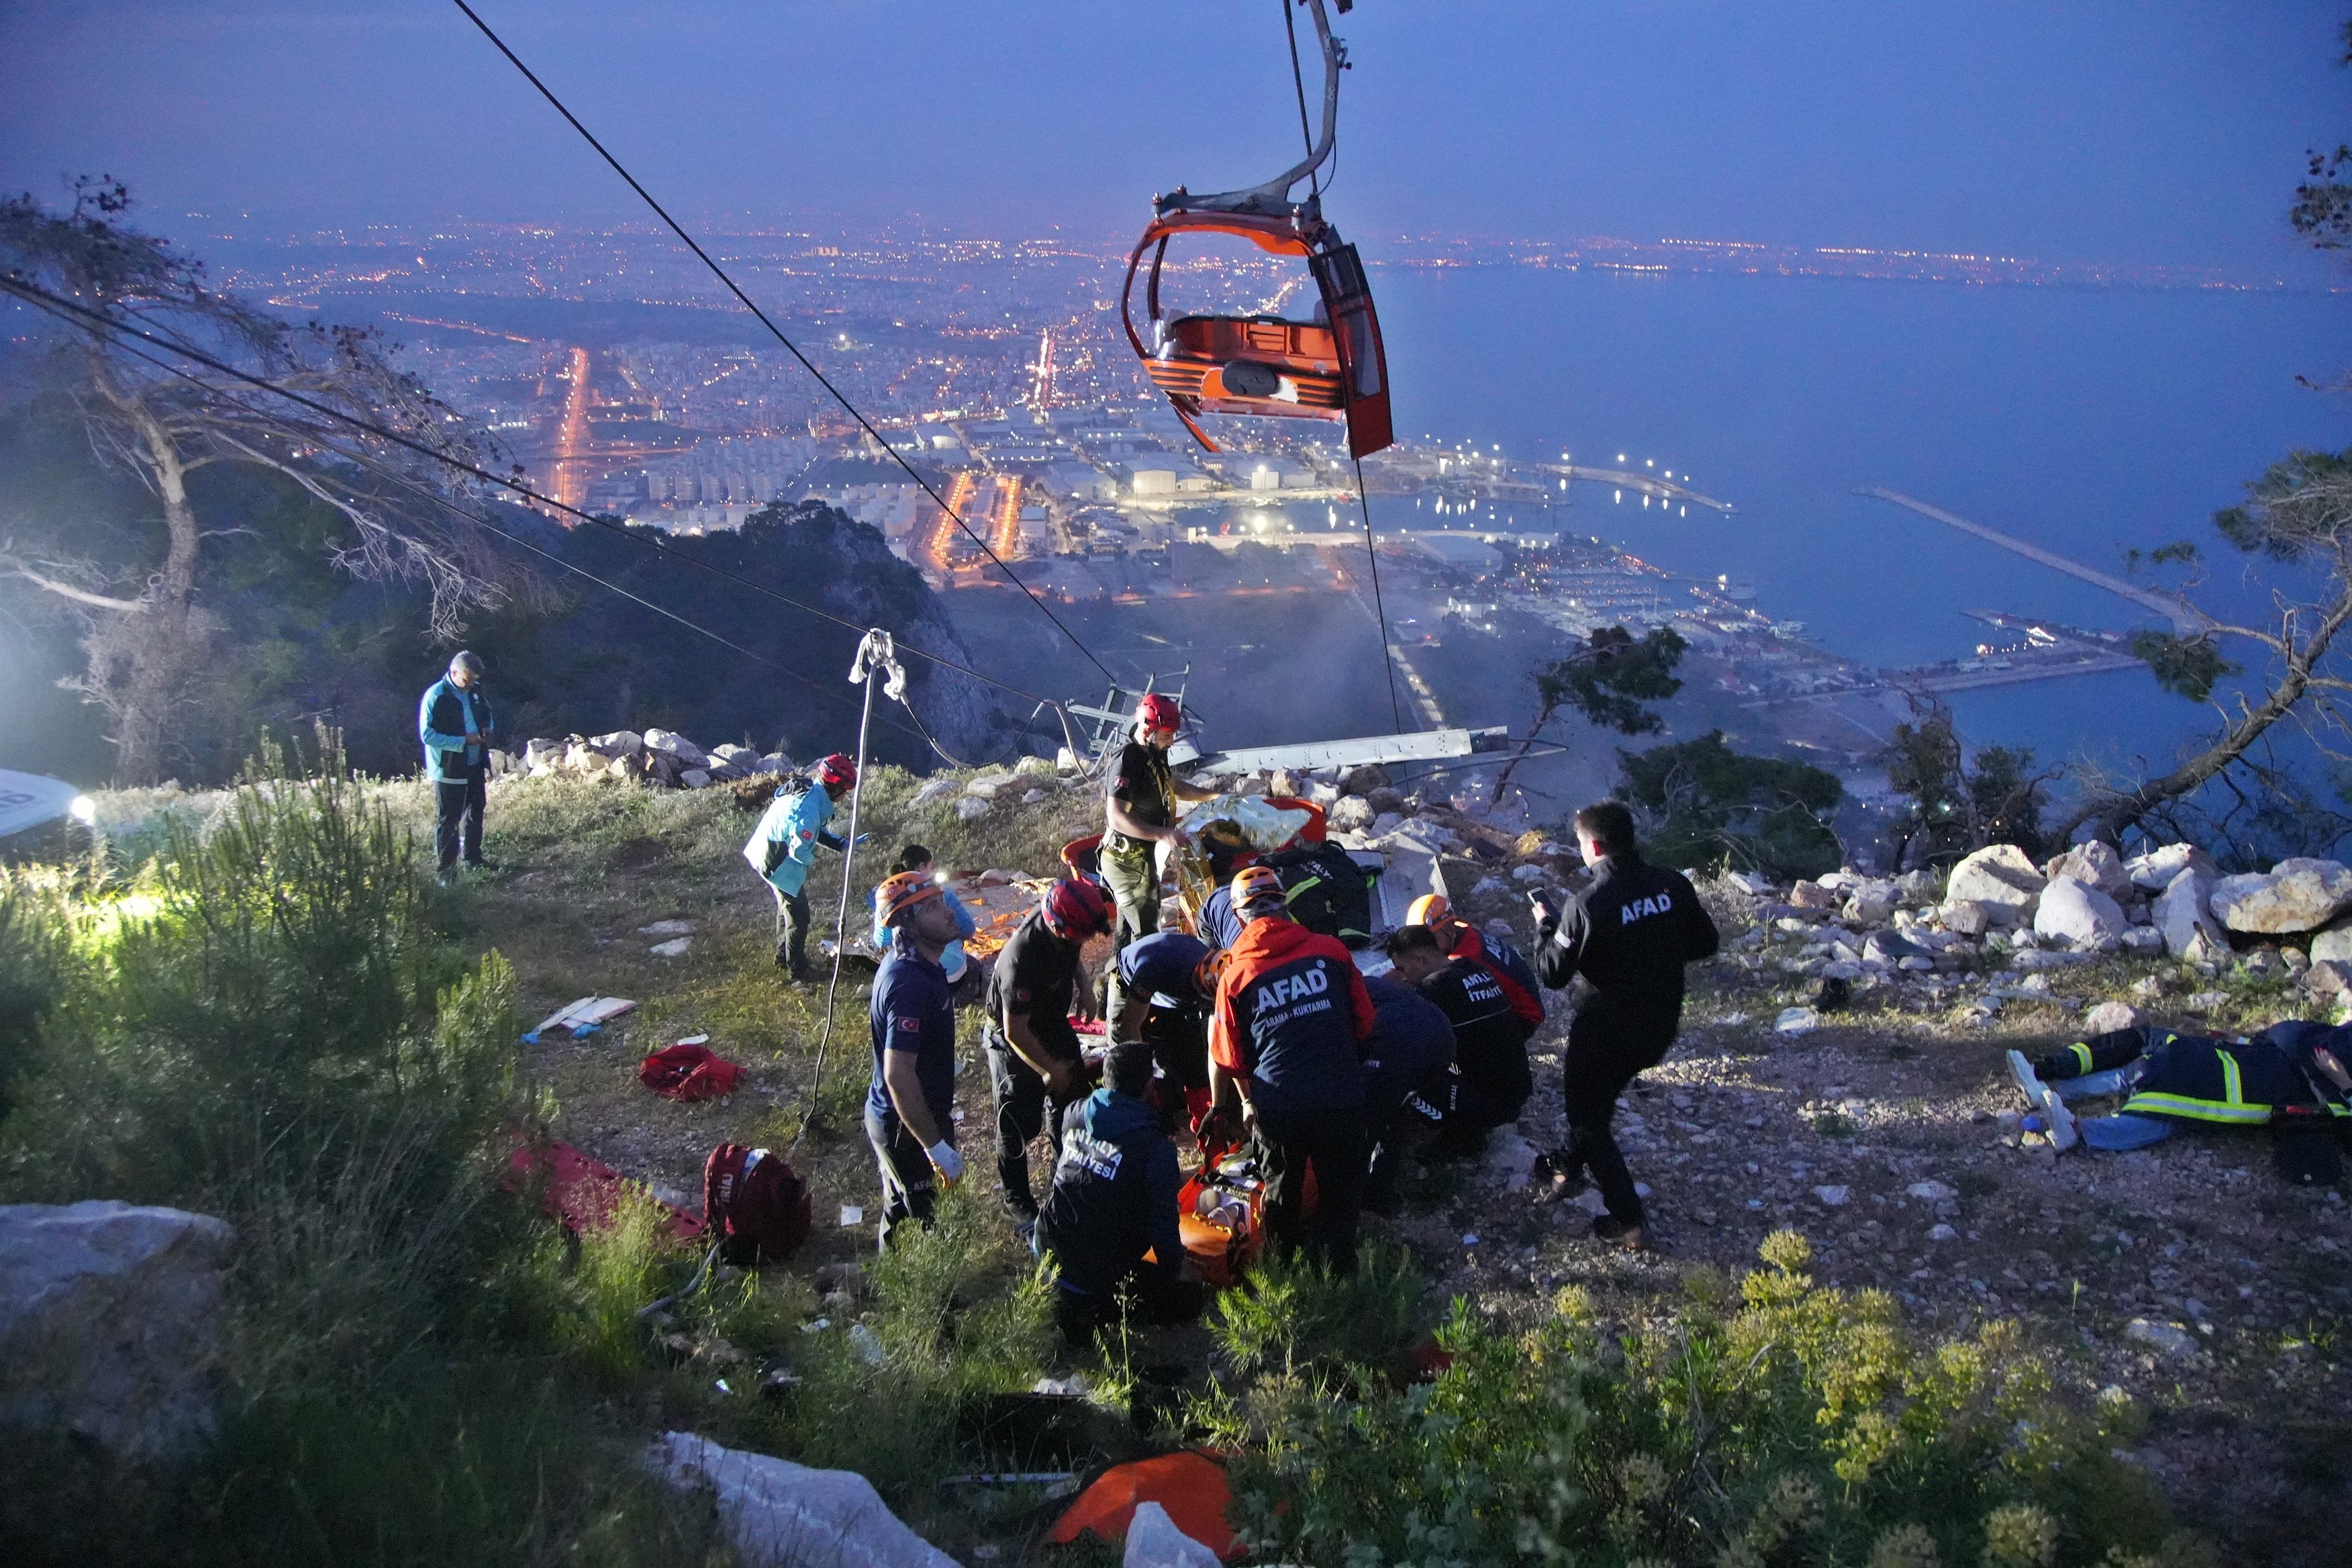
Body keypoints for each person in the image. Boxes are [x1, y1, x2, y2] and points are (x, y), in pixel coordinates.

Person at [1529, 801, 1720, 1250]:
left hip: (1605, 1031)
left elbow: (1552, 974)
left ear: (1592, 846)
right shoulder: (1672, 884)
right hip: (1659, 1025)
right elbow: (1705, 943)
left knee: (1589, 1121)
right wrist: (1655, 957)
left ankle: (1628, 1220)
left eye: (1579, 845)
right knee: (1596, 1105)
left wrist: (1544, 929)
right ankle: (1565, 1166)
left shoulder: (1587, 906)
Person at [1210, 864, 1376, 1273]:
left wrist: (1247, 1101)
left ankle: (1285, 1273)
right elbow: (1365, 1023)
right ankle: (1340, 1270)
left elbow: (1230, 1058)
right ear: (1285, 903)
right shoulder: (1331, 951)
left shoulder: (1234, 976)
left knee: (1282, 1193)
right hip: (1342, 1095)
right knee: (1342, 1189)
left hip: (1281, 1107)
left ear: (1237, 916)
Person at [1034, 1040, 1204, 1344]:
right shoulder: (1154, 1149)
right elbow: (1164, 1228)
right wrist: (1175, 1271)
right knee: (1191, 1299)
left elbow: (1077, 1171)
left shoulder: (1074, 1113)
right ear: (1148, 1086)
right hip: (1095, 1272)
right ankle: (1092, 1310)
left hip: (1047, 1245)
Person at [2007, 1021, 2352, 1169]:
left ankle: (2071, 1125)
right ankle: (2053, 1088)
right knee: (2150, 1075)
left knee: (2162, 1107)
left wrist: (2342, 1082)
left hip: (2255, 1082)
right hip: (2244, 1060)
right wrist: (2246, 1041)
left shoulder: (2335, 1076)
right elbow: (2289, 1040)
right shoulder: (2333, 1036)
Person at [985, 877, 1114, 1230]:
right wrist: (1048, 1070)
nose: (1086, 942)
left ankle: (1067, 1180)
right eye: (1080, 936)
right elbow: (1015, 1031)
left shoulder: (1068, 926)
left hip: (1052, 1019)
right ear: (1058, 928)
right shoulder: (1021, 958)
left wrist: (1084, 987)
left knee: (1072, 1099)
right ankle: (1017, 1200)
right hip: (1015, 1036)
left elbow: (1071, 953)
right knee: (1017, 1121)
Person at [865, 871, 969, 1247]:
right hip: (904, 1124)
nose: (947, 912)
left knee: (900, 1207)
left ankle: (887, 1285)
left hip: (918, 1115)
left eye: (942, 901)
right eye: (931, 907)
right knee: (929, 1223)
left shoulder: (927, 965)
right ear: (907, 922)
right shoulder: (907, 983)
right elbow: (898, 1075)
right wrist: (934, 1146)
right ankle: (932, 1302)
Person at [1380, 923, 1534, 1150]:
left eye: (1402, 969)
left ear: (1421, 960)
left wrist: (1386, 991)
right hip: (1517, 1090)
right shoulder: (1472, 967)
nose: (1403, 977)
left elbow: (1400, 1034)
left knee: (1397, 1074)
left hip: (1488, 1105)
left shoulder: (1433, 988)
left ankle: (1458, 1139)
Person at [1101, 693, 1216, 957]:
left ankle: (1120, 976)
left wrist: (1211, 796)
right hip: (1126, 860)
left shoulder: (1156, 752)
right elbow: (1117, 817)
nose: (1171, 741)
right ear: (1147, 729)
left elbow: (1172, 785)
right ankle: (1142, 984)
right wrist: (1164, 834)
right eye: (1166, 736)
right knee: (1146, 931)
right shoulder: (1126, 760)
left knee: (1129, 929)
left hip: (1144, 855)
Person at [743, 754, 858, 981]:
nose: (846, 797)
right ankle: (798, 971)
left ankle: (782, 955)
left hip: (763, 851)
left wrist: (840, 843)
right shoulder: (810, 809)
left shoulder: (809, 792)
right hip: (777, 863)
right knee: (799, 916)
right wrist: (811, 861)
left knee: (786, 908)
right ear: (835, 787)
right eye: (846, 790)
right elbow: (799, 850)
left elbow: (812, 829)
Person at [1359, 970, 1459, 1213]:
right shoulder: (1365, 982)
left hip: (1401, 1045)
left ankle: (1360, 1198)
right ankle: (1381, 1193)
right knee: (1395, 1109)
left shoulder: (1329, 1001)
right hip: (1443, 1036)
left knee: (1366, 1120)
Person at [1112, 930, 1218, 1132]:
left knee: (1193, 1054)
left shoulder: (1213, 972)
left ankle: (1194, 1109)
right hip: (1131, 982)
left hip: (1174, 996)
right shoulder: (1153, 968)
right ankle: (1141, 1125)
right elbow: (1130, 1028)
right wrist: (1147, 1082)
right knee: (1125, 1062)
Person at [418, 650, 497, 881]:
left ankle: (473, 858)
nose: (471, 684)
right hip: (449, 768)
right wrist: (462, 741)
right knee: (450, 819)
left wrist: (487, 728)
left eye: (474, 680)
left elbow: (487, 712)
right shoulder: (437, 695)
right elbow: (427, 735)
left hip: (474, 763)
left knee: (476, 811)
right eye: (467, 679)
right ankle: (446, 871)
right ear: (454, 672)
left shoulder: (474, 691)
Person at [1406, 893, 1545, 1022]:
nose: (1424, 946)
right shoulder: (1462, 930)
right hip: (1525, 1000)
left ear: (1450, 929)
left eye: (1429, 939)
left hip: (1525, 1016)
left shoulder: (1466, 959)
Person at [870, 843, 978, 999]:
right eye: (931, 867)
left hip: (907, 974)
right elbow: (968, 929)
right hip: (949, 972)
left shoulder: (890, 897)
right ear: (922, 867)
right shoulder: (940, 892)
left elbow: (881, 940)